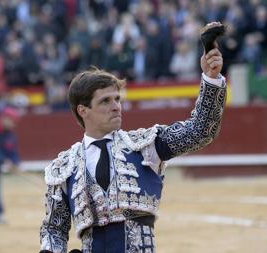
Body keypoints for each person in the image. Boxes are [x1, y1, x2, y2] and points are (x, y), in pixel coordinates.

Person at [39, 22, 227, 253]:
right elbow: (53, 231)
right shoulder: (64, 168)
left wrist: (211, 80)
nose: (116, 106)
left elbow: (200, 131)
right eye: (105, 101)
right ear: (83, 110)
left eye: (117, 99)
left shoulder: (145, 146)